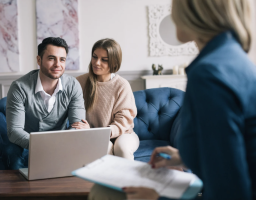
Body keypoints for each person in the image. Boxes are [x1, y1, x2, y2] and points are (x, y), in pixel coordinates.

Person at [90, 0, 256, 199]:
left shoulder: (209, 73)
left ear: (194, 12)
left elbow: (230, 187)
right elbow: (229, 154)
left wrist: (156, 197)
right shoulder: (231, 58)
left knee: (101, 192)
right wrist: (183, 158)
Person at [5, 37, 85, 169]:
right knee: (10, 153)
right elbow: (15, 131)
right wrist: (45, 145)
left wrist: (62, 144)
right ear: (39, 60)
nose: (57, 64)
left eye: (62, 59)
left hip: (63, 144)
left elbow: (78, 124)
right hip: (28, 144)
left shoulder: (73, 85)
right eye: (51, 58)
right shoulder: (19, 87)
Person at [72, 38, 140, 160]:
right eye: (94, 57)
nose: (97, 63)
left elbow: (123, 122)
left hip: (124, 133)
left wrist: (97, 132)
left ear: (114, 63)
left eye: (104, 60)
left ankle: (128, 179)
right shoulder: (80, 82)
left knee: (122, 149)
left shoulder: (121, 85)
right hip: (92, 134)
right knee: (105, 147)